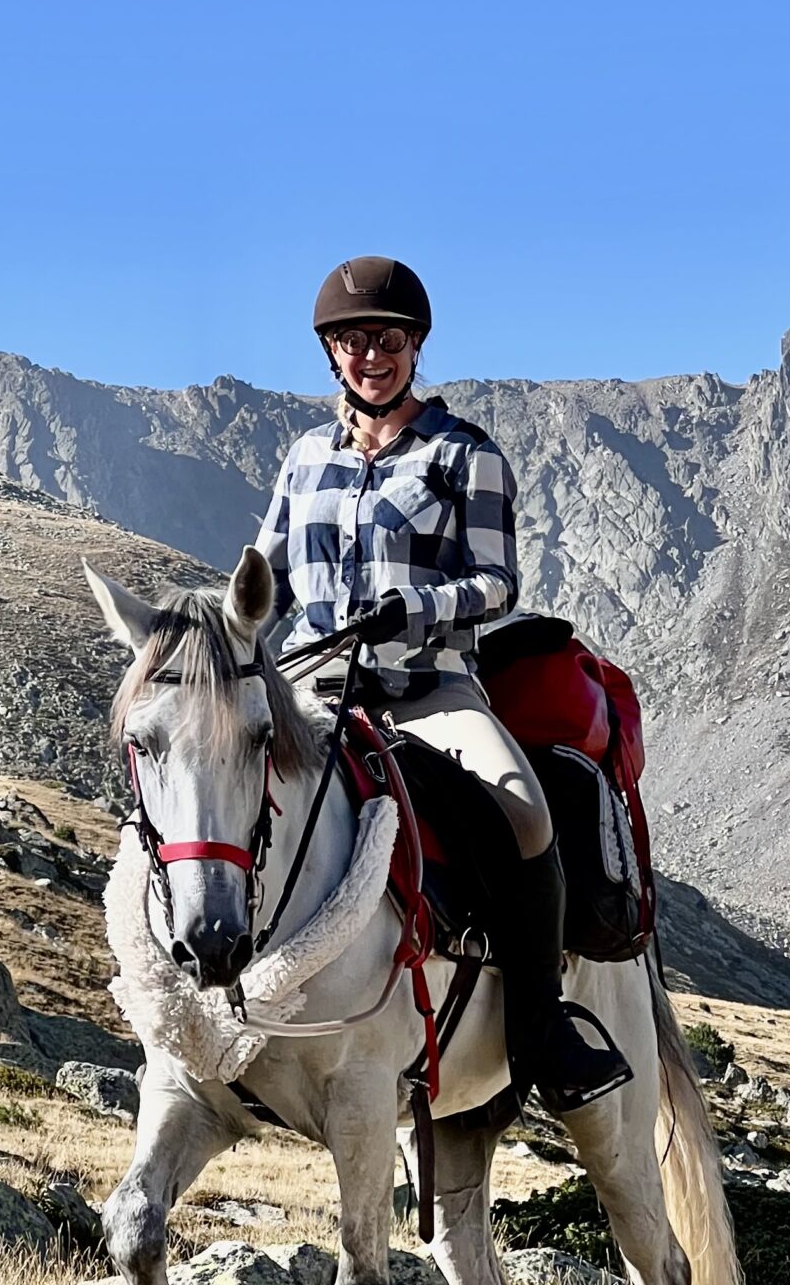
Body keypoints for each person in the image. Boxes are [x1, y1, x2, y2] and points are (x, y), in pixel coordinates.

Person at [256, 254, 632, 1114]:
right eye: (352, 340)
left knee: (525, 813)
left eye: (386, 338)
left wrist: (416, 607)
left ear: (414, 346)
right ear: (331, 354)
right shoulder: (304, 458)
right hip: (316, 690)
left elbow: (498, 581)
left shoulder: (464, 455)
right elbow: (269, 579)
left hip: (429, 692)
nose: (370, 355)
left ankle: (540, 1030)